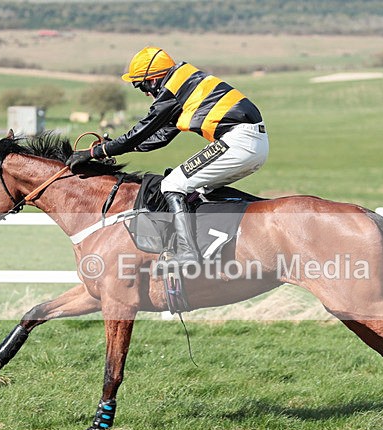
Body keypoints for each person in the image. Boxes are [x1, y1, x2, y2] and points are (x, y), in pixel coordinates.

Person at [67, 47, 269, 267]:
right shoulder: (185, 83)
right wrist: (111, 148)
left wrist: (95, 152)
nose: (144, 92)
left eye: (141, 85)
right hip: (250, 143)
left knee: (172, 184)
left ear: (153, 80)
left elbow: (140, 131)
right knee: (196, 190)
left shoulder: (171, 91)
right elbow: (160, 137)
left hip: (239, 142)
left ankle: (188, 253)